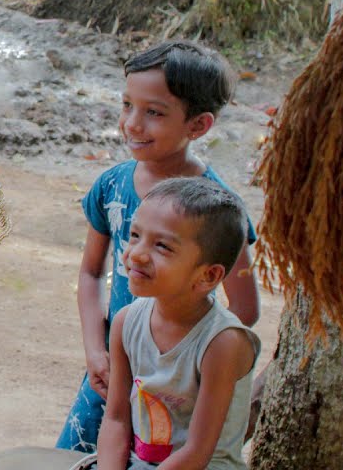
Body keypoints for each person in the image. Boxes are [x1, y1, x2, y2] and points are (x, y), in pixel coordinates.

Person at [56, 41, 260, 453]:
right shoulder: (112, 185)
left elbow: (245, 309)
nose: (132, 123)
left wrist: (181, 362)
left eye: (153, 113)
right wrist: (96, 351)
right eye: (127, 105)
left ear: (198, 126)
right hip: (113, 370)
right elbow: (92, 272)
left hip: (174, 387)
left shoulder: (218, 209)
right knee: (78, 457)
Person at [96, 177, 261, 470]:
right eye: (135, 235)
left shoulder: (222, 343)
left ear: (208, 276)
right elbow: (115, 419)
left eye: (162, 246)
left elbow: (198, 452)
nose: (136, 253)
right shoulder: (126, 323)